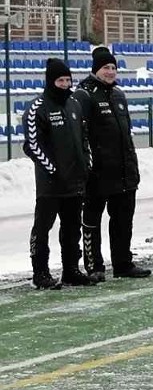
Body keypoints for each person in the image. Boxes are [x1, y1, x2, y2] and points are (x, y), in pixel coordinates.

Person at [72, 47, 151, 281]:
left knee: (123, 220)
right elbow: (80, 134)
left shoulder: (118, 94)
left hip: (124, 171)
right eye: (106, 67)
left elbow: (125, 133)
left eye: (114, 68)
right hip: (98, 172)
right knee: (92, 220)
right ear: (96, 69)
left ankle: (123, 263)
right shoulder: (84, 94)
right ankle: (94, 266)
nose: (110, 72)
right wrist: (88, 165)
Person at [22, 58, 94, 288]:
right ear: (51, 81)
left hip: (74, 182)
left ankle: (71, 269)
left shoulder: (74, 104)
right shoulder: (37, 108)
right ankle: (40, 272)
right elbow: (33, 145)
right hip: (50, 184)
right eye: (60, 80)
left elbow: (83, 139)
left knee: (72, 229)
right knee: (43, 228)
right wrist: (52, 170)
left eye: (67, 80)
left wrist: (86, 164)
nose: (64, 84)